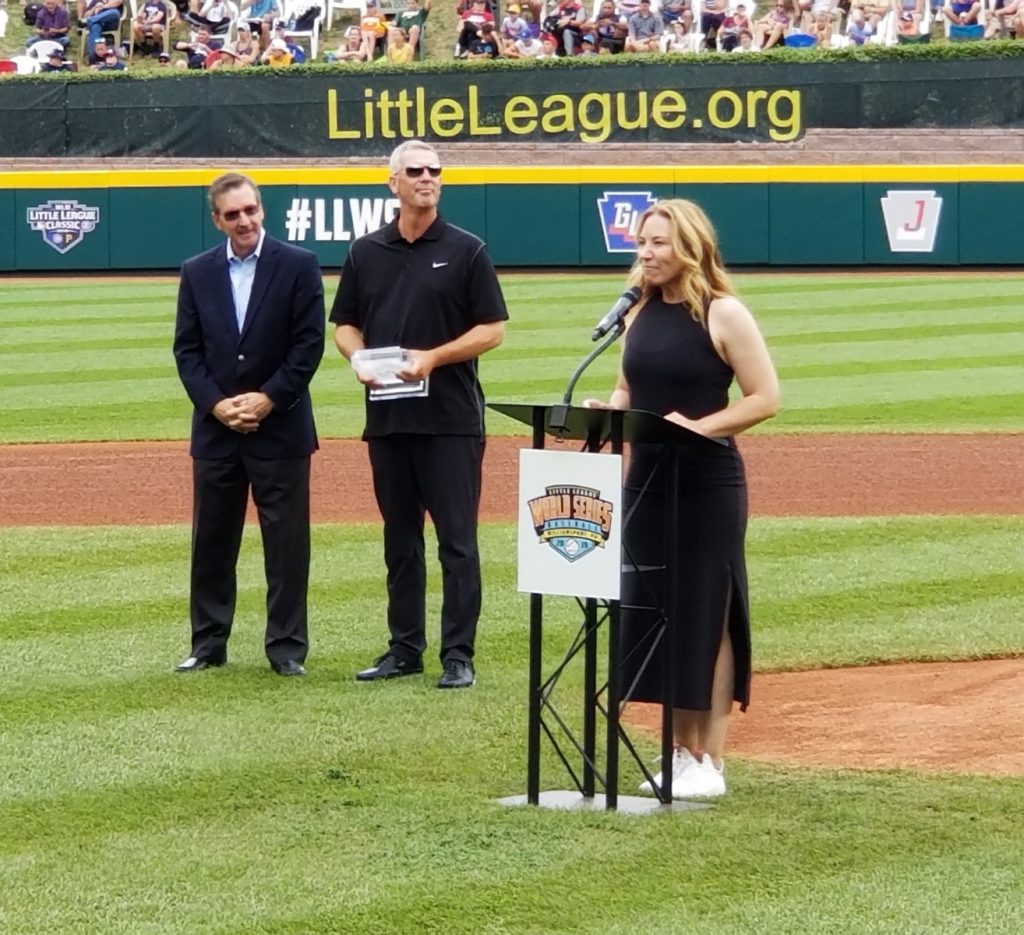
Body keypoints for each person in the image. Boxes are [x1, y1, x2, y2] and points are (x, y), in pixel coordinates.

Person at [583, 199, 779, 799]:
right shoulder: (637, 312)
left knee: (706, 615)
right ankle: (676, 751)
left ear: (690, 247)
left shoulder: (724, 313)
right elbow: (627, 388)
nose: (646, 252)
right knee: (658, 614)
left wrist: (698, 426)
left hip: (706, 485)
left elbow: (765, 397)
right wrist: (602, 416)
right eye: (642, 242)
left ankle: (709, 761)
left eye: (659, 242)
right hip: (646, 482)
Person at [330, 140, 508, 690]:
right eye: (415, 171)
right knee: (399, 539)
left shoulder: (466, 249)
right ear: (394, 183)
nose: (427, 178)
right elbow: (344, 324)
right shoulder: (366, 252)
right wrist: (358, 358)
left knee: (457, 541)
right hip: (387, 417)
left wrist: (434, 357)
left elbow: (492, 329)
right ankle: (404, 647)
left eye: (434, 171)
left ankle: (459, 654)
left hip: (450, 419)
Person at [172, 173, 325, 677]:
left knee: (286, 546)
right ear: (217, 220)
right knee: (212, 541)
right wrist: (218, 406)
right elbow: (188, 351)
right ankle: (208, 644)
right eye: (232, 214)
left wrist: (268, 399)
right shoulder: (196, 271)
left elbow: (308, 346)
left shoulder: (299, 265)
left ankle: (286, 649)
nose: (244, 221)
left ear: (263, 210)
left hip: (280, 429)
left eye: (250, 211)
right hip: (217, 432)